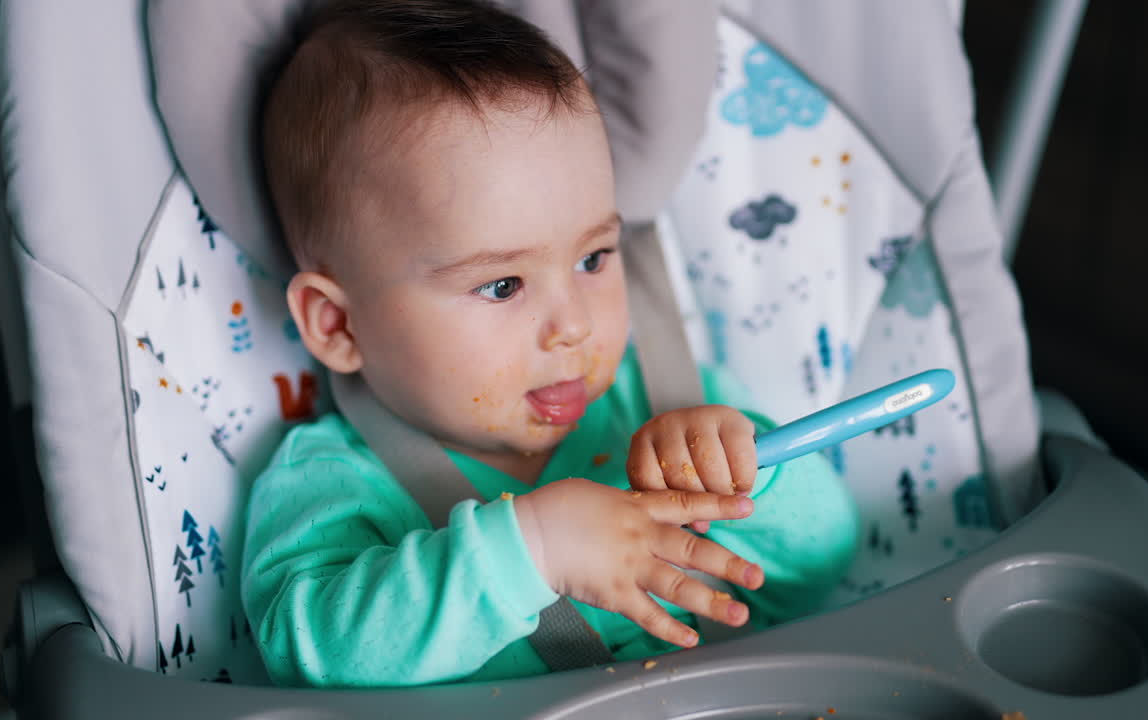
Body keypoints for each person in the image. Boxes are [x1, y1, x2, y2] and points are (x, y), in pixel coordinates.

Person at [242, 0, 858, 688]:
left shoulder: (671, 410)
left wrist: (756, 479)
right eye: (503, 285)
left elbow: (823, 565)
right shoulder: (334, 484)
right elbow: (312, 658)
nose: (575, 327)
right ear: (337, 325)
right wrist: (529, 551)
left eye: (593, 259)